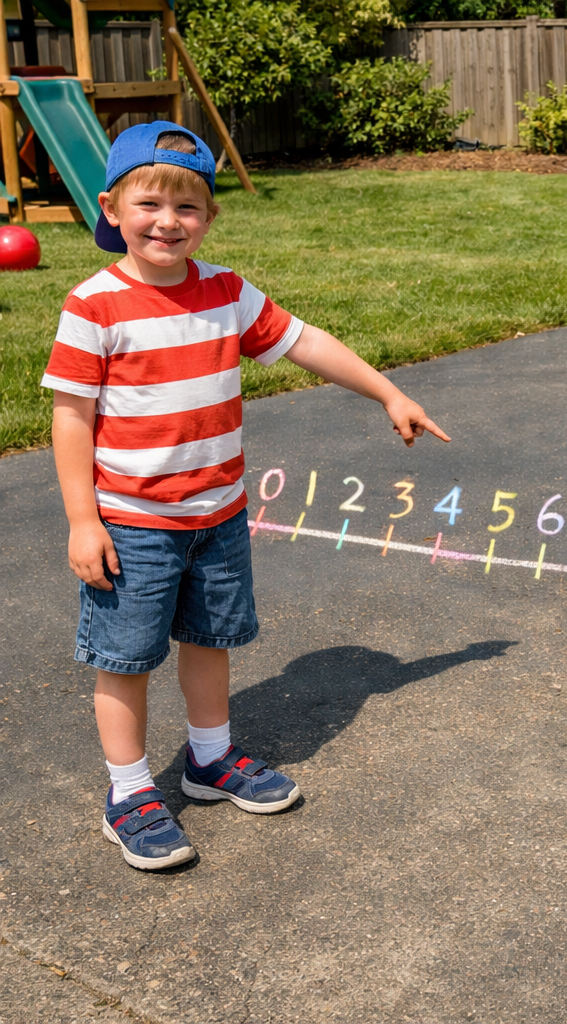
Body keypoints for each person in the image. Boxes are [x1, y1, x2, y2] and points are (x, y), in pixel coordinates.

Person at [42, 122, 449, 871]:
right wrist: (81, 519)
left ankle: (209, 760)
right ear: (110, 208)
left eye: (188, 207)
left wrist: (388, 393)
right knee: (125, 660)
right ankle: (129, 794)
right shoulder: (93, 305)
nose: (168, 221)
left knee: (210, 641)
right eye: (149, 203)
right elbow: (71, 419)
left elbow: (306, 342)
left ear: (210, 218)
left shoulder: (226, 292)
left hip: (219, 517)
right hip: (133, 525)